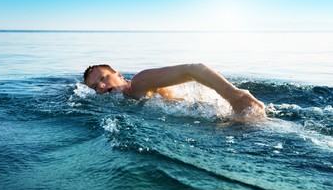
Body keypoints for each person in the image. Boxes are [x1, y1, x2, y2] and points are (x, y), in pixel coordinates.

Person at [83, 63, 265, 116]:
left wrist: (235, 96)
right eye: (94, 86)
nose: (100, 86)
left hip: (212, 113)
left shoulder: (139, 83)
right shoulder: (117, 105)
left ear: (120, 76)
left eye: (103, 78)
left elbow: (193, 69)